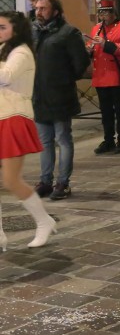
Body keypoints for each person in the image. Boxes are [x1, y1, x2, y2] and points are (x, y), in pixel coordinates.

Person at [0, 12, 58, 248]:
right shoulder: (4, 49)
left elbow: (6, 76)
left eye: (3, 27)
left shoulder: (21, 52)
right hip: (2, 116)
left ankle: (45, 221)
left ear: (16, 29)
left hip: (14, 117)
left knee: (11, 180)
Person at [32, 0, 91, 200]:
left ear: (55, 11)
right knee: (44, 142)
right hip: (39, 96)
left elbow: (80, 63)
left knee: (63, 139)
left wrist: (63, 80)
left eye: (43, 8)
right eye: (37, 8)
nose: (38, 12)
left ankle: (63, 183)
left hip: (60, 95)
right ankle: (45, 181)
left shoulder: (68, 33)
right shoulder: (34, 32)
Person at [87, 0, 120, 154]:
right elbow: (92, 46)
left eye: (106, 13)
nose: (103, 16)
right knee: (105, 111)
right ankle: (108, 140)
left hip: (116, 75)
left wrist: (106, 44)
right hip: (100, 76)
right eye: (101, 13)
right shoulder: (96, 28)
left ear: (113, 13)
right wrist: (89, 49)